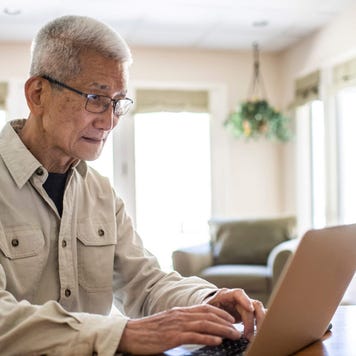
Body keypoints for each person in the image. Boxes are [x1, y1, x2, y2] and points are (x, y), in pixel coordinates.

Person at [0, 15, 265, 355]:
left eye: (118, 103)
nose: (109, 120)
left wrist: (208, 300)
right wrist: (121, 334)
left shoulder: (101, 193)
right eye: (96, 98)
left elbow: (145, 283)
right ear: (38, 94)